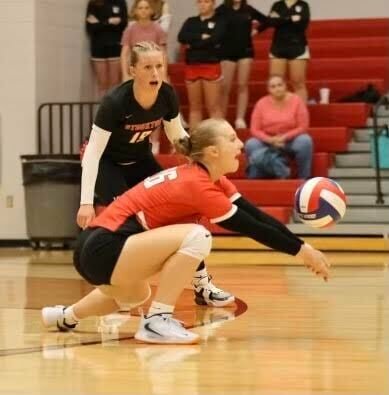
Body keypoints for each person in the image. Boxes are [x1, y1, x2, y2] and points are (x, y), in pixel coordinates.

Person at [42, 118, 330, 344]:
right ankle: (157, 322)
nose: (241, 144)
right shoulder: (197, 184)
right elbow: (251, 228)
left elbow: (255, 215)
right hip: (104, 246)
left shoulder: (209, 178)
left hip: (97, 249)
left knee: (135, 294)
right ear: (213, 151)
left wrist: (302, 246)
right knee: (198, 235)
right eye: (232, 139)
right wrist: (303, 252)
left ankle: (65, 316)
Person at [77, 41, 234, 308]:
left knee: (181, 210)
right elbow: (93, 153)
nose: (155, 73)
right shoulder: (115, 102)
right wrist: (85, 202)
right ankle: (110, 285)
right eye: (147, 67)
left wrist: (205, 167)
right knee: (126, 223)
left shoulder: (167, 95)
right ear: (133, 70)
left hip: (139, 158)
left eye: (159, 66)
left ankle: (202, 285)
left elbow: (179, 138)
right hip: (106, 163)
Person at [246, 75, 312, 179]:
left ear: (285, 86)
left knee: (305, 141)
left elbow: (303, 126)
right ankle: (265, 176)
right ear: (268, 89)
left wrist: (284, 137)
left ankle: (303, 178)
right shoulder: (261, 103)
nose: (277, 89)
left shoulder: (296, 100)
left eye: (279, 85)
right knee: (251, 144)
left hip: (290, 140)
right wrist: (269, 140)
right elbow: (254, 129)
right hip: (268, 141)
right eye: (273, 86)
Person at [216, 0, 267, 130]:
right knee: (225, 87)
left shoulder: (248, 9)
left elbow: (266, 20)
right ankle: (221, 119)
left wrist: (255, 31)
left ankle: (240, 118)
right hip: (227, 52)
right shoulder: (221, 10)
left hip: (245, 51)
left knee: (242, 85)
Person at [178, 0, 226, 130]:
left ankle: (220, 139)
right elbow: (181, 37)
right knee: (194, 107)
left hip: (210, 65)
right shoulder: (191, 21)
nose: (202, 4)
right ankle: (195, 142)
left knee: (213, 106)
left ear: (213, 3)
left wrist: (193, 43)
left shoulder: (220, 21)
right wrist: (202, 37)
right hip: (192, 65)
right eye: (199, 2)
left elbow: (215, 39)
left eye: (206, 1)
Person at [267, 0, 310, 102]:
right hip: (278, 47)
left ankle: (300, 115)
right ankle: (277, 116)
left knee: (298, 82)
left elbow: (302, 24)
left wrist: (281, 19)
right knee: (276, 83)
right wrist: (291, 18)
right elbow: (271, 22)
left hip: (297, 47)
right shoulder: (277, 5)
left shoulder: (303, 5)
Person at [86, 0, 128, 97]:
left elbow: (124, 24)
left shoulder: (120, 2)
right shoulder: (93, 3)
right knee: (102, 85)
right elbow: (91, 28)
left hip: (115, 46)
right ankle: (103, 110)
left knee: (114, 84)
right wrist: (109, 22)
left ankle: (113, 110)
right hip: (98, 46)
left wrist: (100, 23)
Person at [120, 0, 167, 82]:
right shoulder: (130, 30)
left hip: (154, 71)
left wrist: (163, 75)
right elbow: (124, 54)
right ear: (135, 11)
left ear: (151, 10)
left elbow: (163, 55)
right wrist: (125, 75)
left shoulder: (158, 29)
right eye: (140, 8)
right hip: (136, 70)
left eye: (146, 8)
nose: (143, 10)